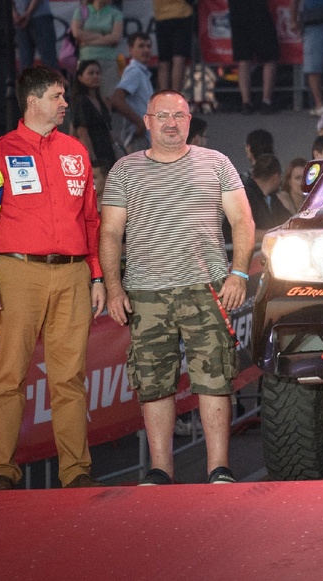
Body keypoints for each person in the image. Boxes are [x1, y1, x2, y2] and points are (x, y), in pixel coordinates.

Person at [101, 90, 254, 486]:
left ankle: (219, 469)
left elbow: (242, 221)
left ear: (189, 121)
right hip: (146, 294)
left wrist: (239, 273)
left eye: (180, 116)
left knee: (215, 378)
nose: (172, 123)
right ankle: (160, 470)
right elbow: (111, 233)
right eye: (163, 115)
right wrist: (114, 289)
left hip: (207, 288)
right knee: (153, 382)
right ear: (147, 121)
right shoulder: (124, 170)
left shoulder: (216, 163)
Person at [0, 67, 106, 489]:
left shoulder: (76, 151)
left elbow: (90, 219)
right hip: (16, 272)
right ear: (32, 101)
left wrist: (97, 276)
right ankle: (2, 473)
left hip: (71, 274)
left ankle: (75, 472)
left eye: (64, 96)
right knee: (10, 375)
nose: (65, 103)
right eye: (57, 96)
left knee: (70, 377)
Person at [220, 0, 284, 114]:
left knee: (243, 60)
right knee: (269, 58)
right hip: (258, 13)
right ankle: (266, 101)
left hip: (237, 15)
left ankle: (246, 102)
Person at [70, 60, 119, 192]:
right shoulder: (81, 101)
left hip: (107, 151)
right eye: (90, 73)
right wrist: (93, 160)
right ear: (80, 77)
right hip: (95, 153)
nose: (95, 76)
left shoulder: (100, 100)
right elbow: (82, 132)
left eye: (98, 73)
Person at [72, 0, 124, 97]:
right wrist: (104, 36)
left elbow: (116, 37)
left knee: (108, 98)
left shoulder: (115, 13)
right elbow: (77, 33)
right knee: (86, 98)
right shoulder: (81, 12)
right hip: (86, 61)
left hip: (109, 61)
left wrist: (88, 41)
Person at [111, 32, 155, 152]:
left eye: (148, 46)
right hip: (138, 139)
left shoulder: (141, 72)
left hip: (145, 137)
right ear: (130, 49)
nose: (146, 50)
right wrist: (139, 122)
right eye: (141, 46)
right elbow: (116, 99)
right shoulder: (134, 71)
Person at [245, 153, 289, 232]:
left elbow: (288, 220)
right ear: (276, 177)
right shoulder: (246, 196)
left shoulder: (272, 198)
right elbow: (245, 232)